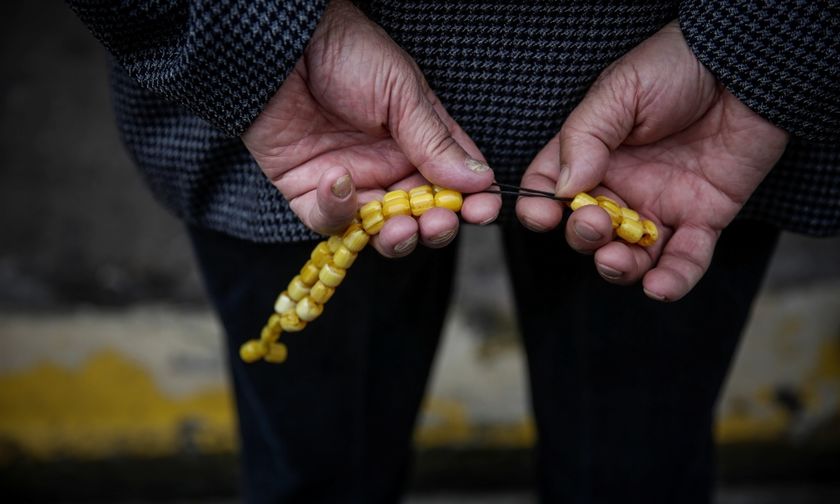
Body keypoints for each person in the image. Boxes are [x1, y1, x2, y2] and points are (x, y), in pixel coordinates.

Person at [68, 0, 839, 502]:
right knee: (315, 478)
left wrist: (765, 43)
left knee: (638, 477)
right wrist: (251, 36)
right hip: (285, 133)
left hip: (683, 140)